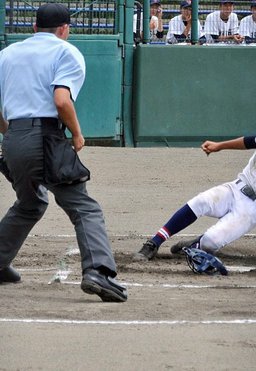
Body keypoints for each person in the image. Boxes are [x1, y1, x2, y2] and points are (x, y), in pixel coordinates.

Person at [0, 3, 127, 302]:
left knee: (30, 203)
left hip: (13, 140)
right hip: (45, 136)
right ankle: (98, 271)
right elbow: (61, 101)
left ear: (34, 28)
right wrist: (78, 133)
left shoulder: (6, 54)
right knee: (83, 206)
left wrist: (12, 134)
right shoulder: (65, 51)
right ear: (64, 29)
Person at [133, 96, 256, 262]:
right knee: (200, 202)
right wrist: (220, 146)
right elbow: (249, 142)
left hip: (252, 208)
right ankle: (154, 243)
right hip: (235, 188)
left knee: (211, 242)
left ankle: (197, 244)